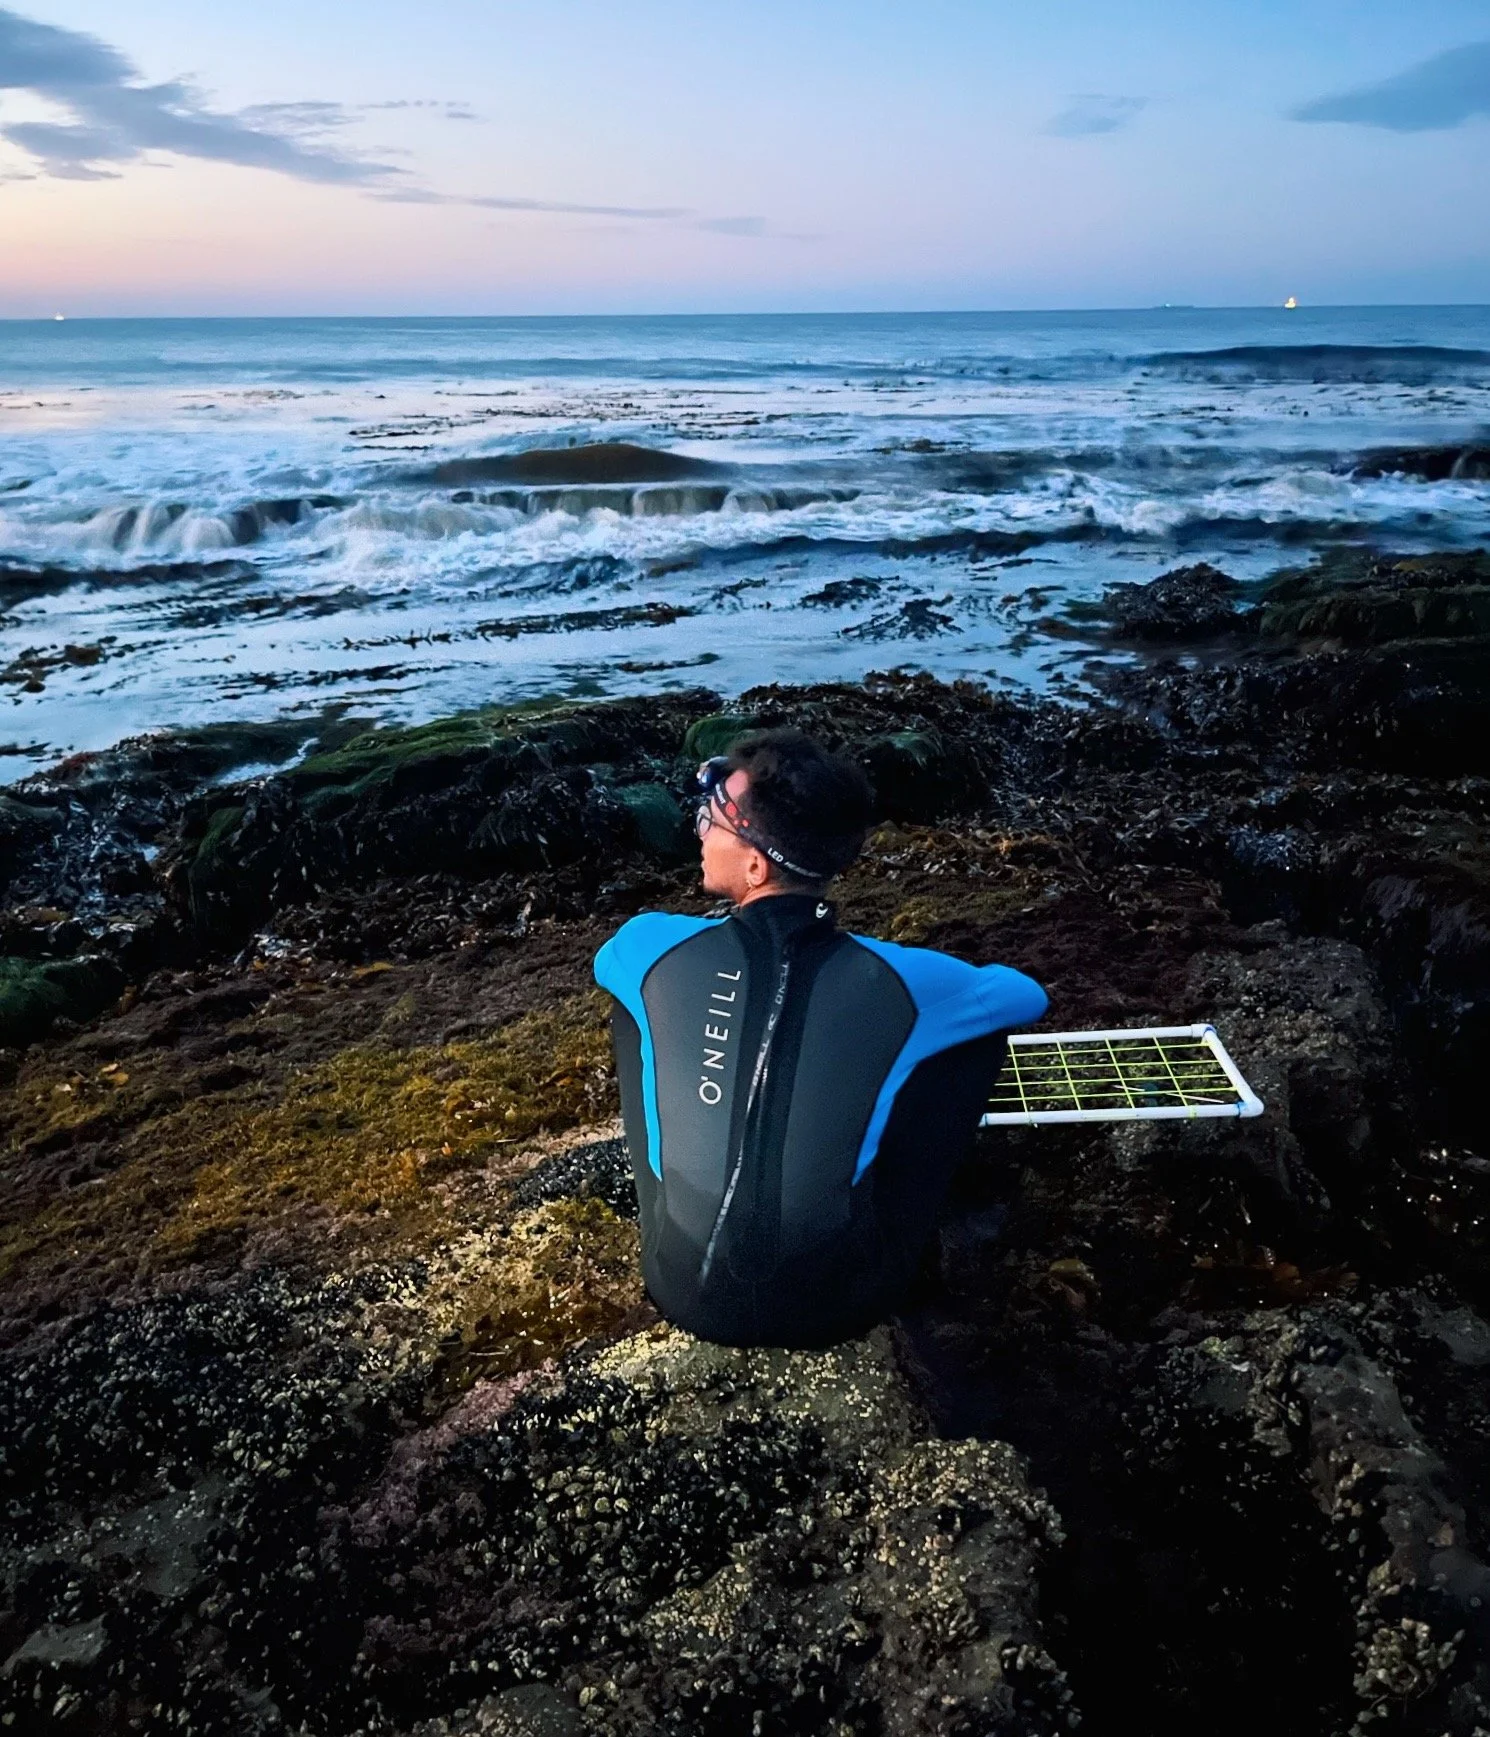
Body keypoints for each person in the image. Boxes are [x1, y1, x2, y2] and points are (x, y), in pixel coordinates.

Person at [593, 727, 1047, 1348]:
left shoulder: (650, 944)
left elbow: (607, 959)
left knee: (636, 1002)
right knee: (967, 1037)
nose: (700, 831)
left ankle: (682, 1211)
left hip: (679, 1287)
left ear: (754, 863)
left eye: (713, 821)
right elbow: (1026, 996)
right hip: (843, 1300)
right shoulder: (905, 980)